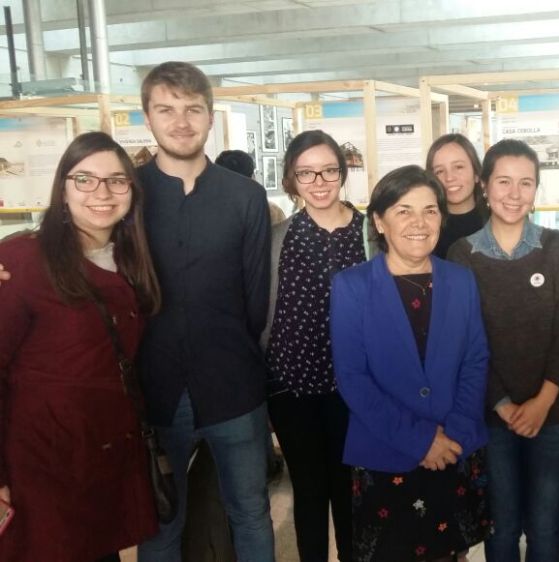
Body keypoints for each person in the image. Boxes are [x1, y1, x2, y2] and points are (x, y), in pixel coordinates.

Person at [133, 62, 274, 562]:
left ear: (211, 117)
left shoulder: (246, 197)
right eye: (166, 109)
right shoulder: (127, 195)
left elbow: (257, 300)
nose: (181, 121)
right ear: (147, 116)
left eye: (193, 109)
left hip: (233, 383)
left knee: (250, 513)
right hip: (155, 389)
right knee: (161, 521)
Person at [0, 132, 162, 561]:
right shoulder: (21, 262)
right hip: (41, 466)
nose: (102, 193)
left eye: (116, 181)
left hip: (103, 459)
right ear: (63, 188)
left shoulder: (128, 259)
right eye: (85, 179)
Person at [330, 165, 491, 562]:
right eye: (404, 211)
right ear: (379, 222)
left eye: (430, 210)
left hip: (453, 449)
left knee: (449, 554)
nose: (419, 222)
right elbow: (353, 378)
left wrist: (450, 435)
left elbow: (475, 360)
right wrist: (421, 440)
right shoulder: (351, 286)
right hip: (385, 452)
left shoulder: (461, 280)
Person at [447, 139, 559, 562]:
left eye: (526, 183)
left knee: (545, 526)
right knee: (501, 526)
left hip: (555, 414)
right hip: (492, 418)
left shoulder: (557, 247)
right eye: (503, 181)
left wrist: (543, 401)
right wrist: (503, 405)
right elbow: (465, 342)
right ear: (484, 185)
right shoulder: (463, 254)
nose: (514, 193)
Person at [262, 130, 367, 562]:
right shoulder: (277, 238)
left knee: (349, 489)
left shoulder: (370, 233)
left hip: (357, 388)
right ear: (291, 178)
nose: (319, 181)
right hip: (292, 386)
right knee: (307, 490)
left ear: (342, 173)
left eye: (328, 170)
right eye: (306, 172)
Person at [427, 133, 488, 258]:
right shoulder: (426, 225)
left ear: (476, 174)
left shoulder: (496, 222)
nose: (449, 178)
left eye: (458, 167)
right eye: (439, 171)